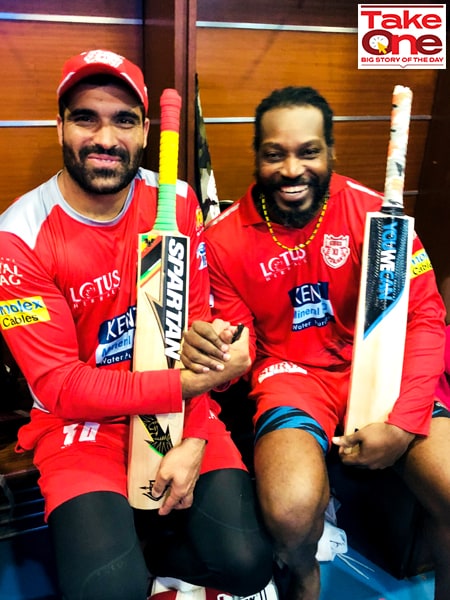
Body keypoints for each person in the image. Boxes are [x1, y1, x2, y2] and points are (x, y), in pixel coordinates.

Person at [0, 50, 274, 600]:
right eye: (86, 118)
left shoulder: (176, 200)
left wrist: (194, 432)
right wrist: (190, 385)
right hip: (81, 424)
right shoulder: (18, 235)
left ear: (146, 130)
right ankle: (131, 568)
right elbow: (60, 386)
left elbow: (196, 332)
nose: (106, 137)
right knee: (108, 591)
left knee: (249, 565)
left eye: (124, 119)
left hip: (179, 407)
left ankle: (152, 559)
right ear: (59, 126)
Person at [181, 86, 450, 600]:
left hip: (380, 371)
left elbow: (425, 316)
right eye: (274, 153)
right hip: (291, 376)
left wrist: (401, 423)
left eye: (308, 151)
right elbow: (240, 351)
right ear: (257, 158)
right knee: (289, 510)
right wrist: (215, 350)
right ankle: (304, 576)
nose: (291, 169)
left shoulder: (379, 218)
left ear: (330, 153)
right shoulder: (223, 240)